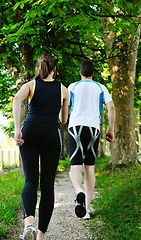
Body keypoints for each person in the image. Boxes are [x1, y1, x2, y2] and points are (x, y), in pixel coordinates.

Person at [13, 53, 69, 240]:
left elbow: (16, 99)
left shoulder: (31, 85)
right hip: (51, 134)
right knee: (47, 185)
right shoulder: (64, 90)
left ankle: (29, 222)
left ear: (39, 69)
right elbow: (63, 120)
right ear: (54, 70)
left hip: (30, 131)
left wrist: (16, 129)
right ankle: (41, 235)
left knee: (30, 180)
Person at [68, 60, 115, 220]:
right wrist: (111, 128)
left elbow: (66, 109)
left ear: (80, 72)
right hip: (93, 129)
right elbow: (111, 107)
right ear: (93, 72)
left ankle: (78, 191)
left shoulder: (72, 87)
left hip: (75, 127)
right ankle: (86, 209)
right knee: (89, 168)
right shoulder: (101, 87)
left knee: (75, 166)